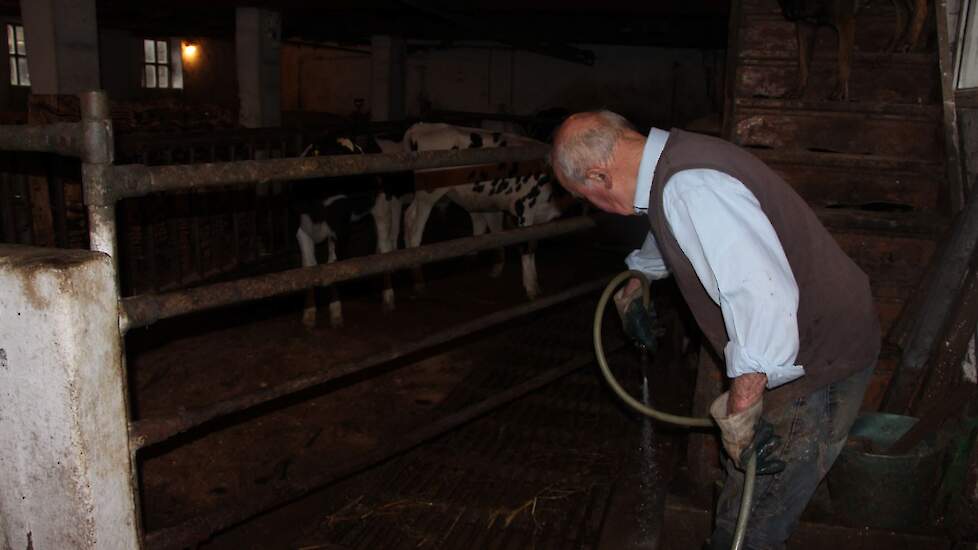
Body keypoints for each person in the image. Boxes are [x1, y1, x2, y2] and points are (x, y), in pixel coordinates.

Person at [550, 111, 880, 549]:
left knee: (752, 522)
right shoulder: (670, 165)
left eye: (584, 195)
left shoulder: (691, 186)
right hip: (809, 340)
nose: (592, 206)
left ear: (599, 175)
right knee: (748, 500)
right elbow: (673, 229)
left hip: (814, 360)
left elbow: (762, 296)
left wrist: (742, 410)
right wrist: (638, 282)